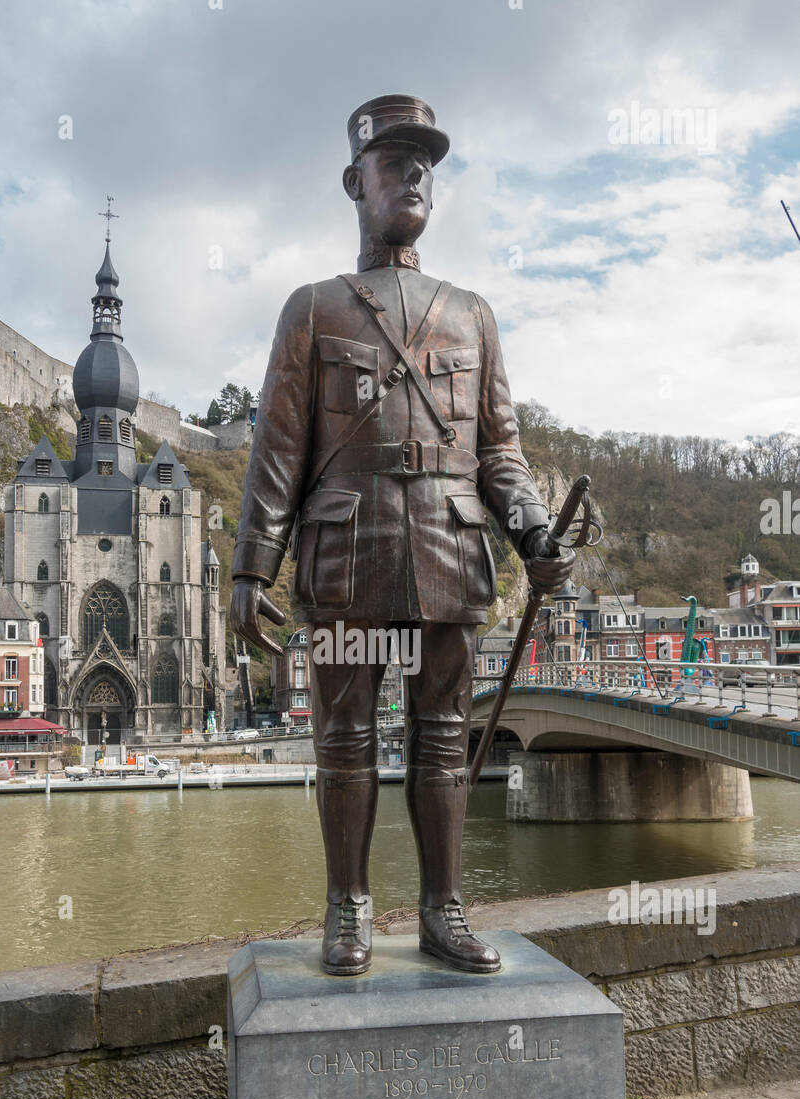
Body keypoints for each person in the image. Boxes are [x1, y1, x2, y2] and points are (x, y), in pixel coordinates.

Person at [230, 95, 573, 977]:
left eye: (425, 162)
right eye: (395, 160)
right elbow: (277, 451)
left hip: (451, 555)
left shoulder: (473, 314)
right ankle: (347, 907)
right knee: (342, 740)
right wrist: (250, 571)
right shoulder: (311, 310)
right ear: (356, 180)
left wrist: (533, 528)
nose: (414, 174)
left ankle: (442, 909)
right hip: (347, 556)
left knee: (444, 738)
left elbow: (501, 453)